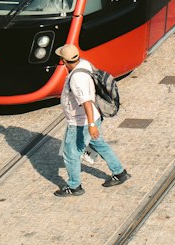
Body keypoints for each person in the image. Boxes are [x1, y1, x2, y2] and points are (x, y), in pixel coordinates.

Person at [53, 42, 128, 196]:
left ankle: (74, 186)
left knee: (71, 153)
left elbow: (86, 102)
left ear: (64, 62)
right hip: (94, 116)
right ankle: (119, 172)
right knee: (99, 144)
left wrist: (91, 125)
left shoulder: (76, 79)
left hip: (81, 122)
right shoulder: (84, 63)